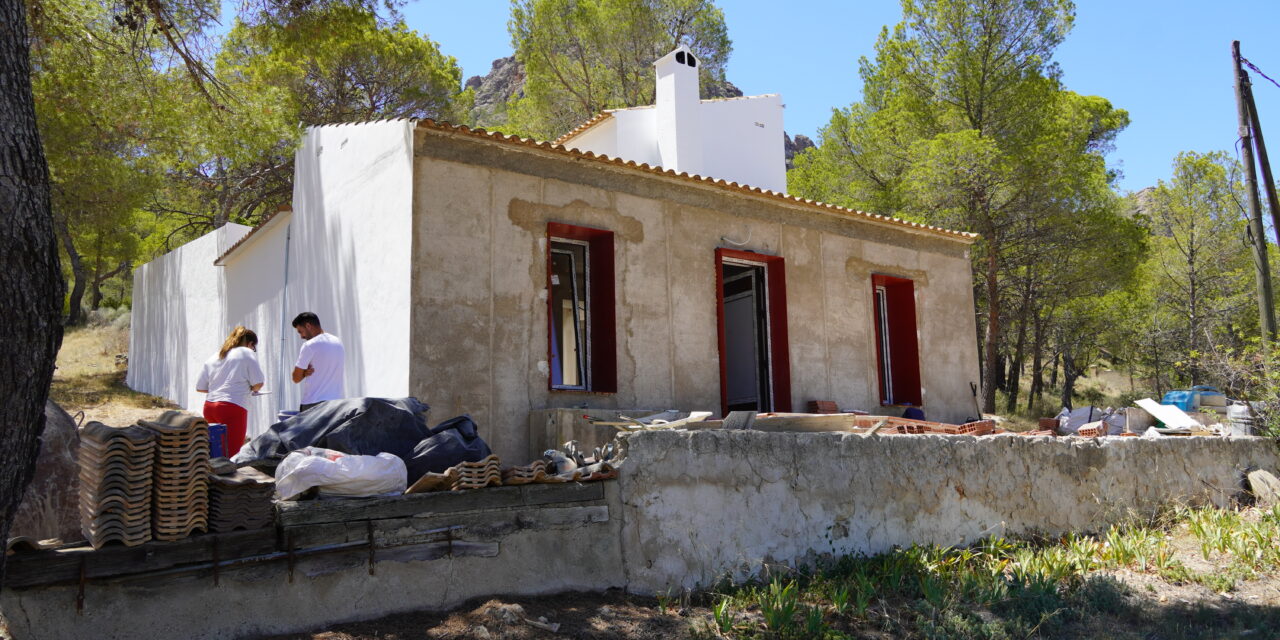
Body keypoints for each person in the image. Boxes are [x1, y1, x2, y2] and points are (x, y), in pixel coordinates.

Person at [196, 326, 265, 457]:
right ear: (250, 343)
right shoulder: (246, 352)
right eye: (253, 347)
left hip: (210, 406)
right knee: (231, 454)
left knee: (213, 450)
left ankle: (210, 475)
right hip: (233, 406)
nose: (253, 350)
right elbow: (258, 383)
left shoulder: (216, 355)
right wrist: (251, 388)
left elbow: (201, 387)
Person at [291, 311, 345, 412]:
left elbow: (296, 378)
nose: (301, 336)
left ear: (308, 326)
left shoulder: (309, 345)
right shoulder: (338, 342)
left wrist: (303, 373)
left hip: (314, 404)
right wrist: (305, 372)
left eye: (300, 331)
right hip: (337, 404)